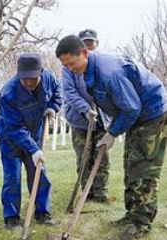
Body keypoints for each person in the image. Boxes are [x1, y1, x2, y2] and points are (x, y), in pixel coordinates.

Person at [56, 35, 167, 239]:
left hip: (152, 115)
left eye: (71, 63)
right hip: (137, 117)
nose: (70, 69)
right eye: (66, 66)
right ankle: (132, 215)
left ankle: (141, 224)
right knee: (130, 165)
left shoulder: (108, 72)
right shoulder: (89, 71)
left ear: (84, 53)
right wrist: (111, 130)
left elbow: (132, 107)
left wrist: (112, 133)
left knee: (143, 169)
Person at [0, 53, 62, 231]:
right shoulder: (8, 93)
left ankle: (42, 212)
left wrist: (53, 108)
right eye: (24, 78)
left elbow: (58, 94)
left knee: (39, 172)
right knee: (12, 176)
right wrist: (33, 149)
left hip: (35, 132)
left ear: (40, 73)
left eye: (32, 78)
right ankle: (11, 217)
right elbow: (15, 128)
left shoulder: (49, 79)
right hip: (10, 136)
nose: (28, 83)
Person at [62, 29, 111, 203]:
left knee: (101, 157)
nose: (89, 46)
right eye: (85, 43)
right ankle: (87, 194)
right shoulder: (69, 67)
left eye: (91, 43)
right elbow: (69, 92)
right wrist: (85, 109)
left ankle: (101, 193)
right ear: (80, 48)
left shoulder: (101, 64)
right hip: (79, 120)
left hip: (101, 120)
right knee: (84, 158)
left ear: (96, 44)